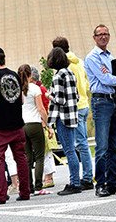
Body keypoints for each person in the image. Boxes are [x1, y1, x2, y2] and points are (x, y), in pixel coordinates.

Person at [85, 24, 116, 197]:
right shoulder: (92, 57)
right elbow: (105, 78)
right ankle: (100, 184)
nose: (103, 37)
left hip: (114, 101)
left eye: (106, 34)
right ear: (94, 37)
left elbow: (112, 75)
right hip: (102, 102)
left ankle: (112, 182)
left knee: (113, 145)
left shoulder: (110, 56)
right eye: (100, 34)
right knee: (102, 146)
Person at [0, 46, 31, 204]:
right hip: (17, 124)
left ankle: (1, 196)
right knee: (21, 158)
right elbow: (22, 100)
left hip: (0, 126)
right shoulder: (14, 75)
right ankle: (25, 192)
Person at [52, 37, 94, 190]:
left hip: (72, 109)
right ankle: (87, 176)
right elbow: (86, 84)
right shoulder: (80, 62)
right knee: (82, 144)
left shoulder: (64, 68)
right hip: (84, 103)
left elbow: (62, 95)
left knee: (75, 145)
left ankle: (86, 178)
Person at [47, 47, 83, 196]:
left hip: (62, 117)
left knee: (69, 150)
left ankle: (75, 183)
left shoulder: (57, 76)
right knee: (72, 149)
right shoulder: (70, 74)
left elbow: (60, 100)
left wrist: (49, 95)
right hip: (73, 115)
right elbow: (77, 96)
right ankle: (76, 181)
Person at [19, 64, 52, 196]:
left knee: (27, 158)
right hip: (34, 124)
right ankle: (39, 186)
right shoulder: (35, 88)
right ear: (30, 75)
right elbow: (41, 109)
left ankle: (29, 187)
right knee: (39, 156)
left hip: (22, 125)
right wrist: (48, 124)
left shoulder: (17, 90)